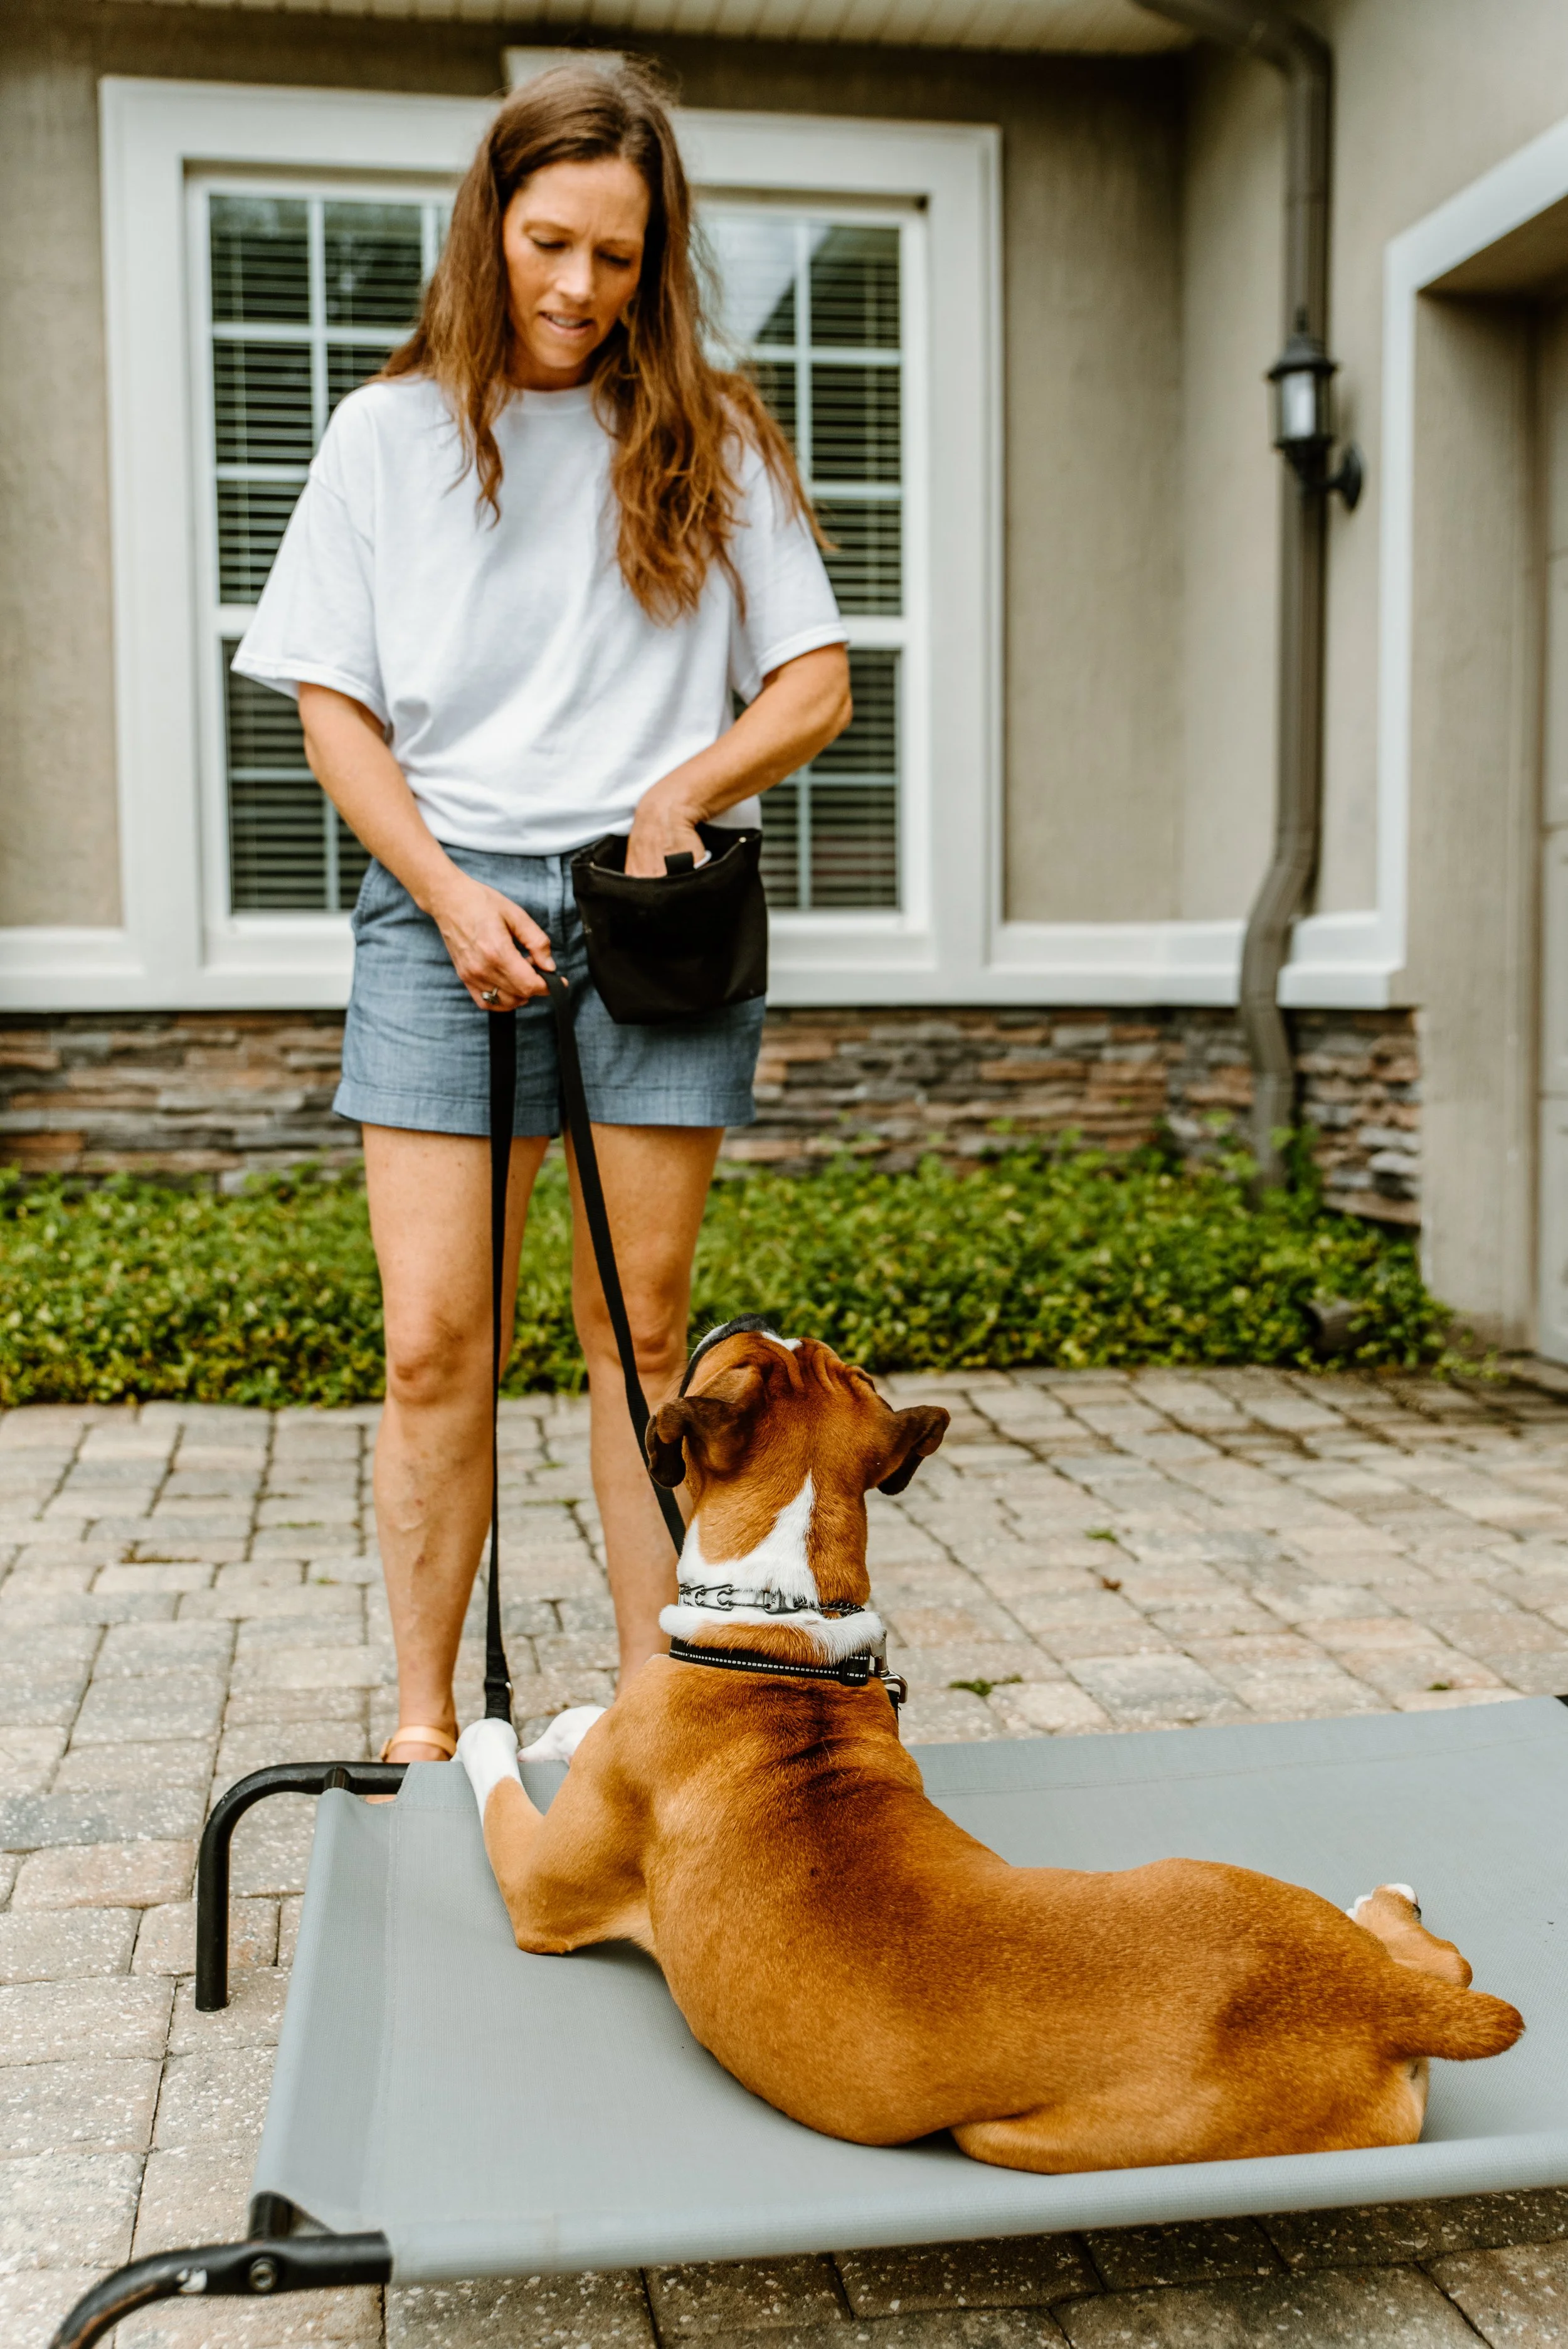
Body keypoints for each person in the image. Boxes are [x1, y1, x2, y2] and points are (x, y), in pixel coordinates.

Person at [233, 60, 850, 1765]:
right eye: (550, 242)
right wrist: (439, 892)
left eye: (620, 258)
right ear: (489, 224)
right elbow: (328, 708)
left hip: (650, 908)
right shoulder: (387, 434)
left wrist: (676, 794)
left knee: (639, 1334)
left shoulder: (708, 432)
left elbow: (813, 685)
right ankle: (428, 1732)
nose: (580, 289)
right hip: (442, 907)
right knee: (438, 1340)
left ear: (658, 261)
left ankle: (662, 1723)